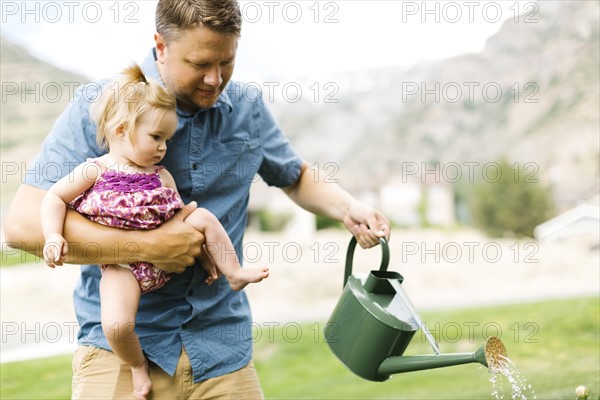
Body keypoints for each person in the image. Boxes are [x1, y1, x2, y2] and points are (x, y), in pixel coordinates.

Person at [3, 0, 391, 398]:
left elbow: (295, 175)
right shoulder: (103, 105)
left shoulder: (248, 109)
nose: (214, 79)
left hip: (223, 353)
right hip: (121, 355)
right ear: (161, 45)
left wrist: (348, 207)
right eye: (200, 63)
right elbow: (22, 225)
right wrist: (149, 246)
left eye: (227, 63)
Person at [40, 64, 269, 400]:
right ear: (121, 130)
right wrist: (53, 236)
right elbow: (53, 198)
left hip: (165, 258)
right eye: (156, 138)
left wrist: (206, 258)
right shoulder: (95, 170)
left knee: (202, 216)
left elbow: (179, 218)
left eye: (167, 139)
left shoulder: (161, 174)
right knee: (117, 325)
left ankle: (232, 271)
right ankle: (136, 367)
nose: (164, 147)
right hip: (123, 268)